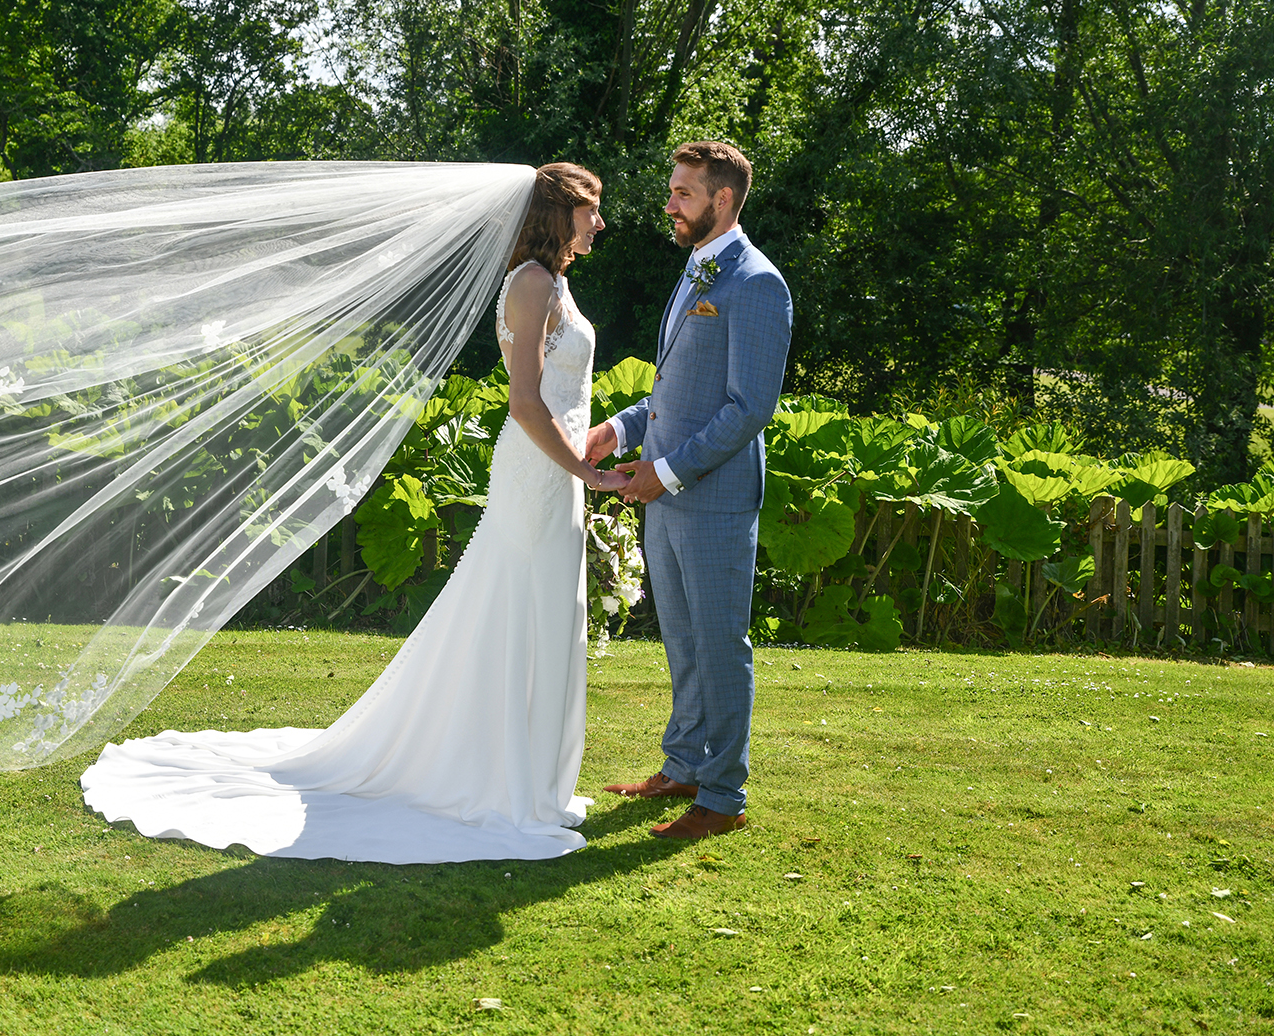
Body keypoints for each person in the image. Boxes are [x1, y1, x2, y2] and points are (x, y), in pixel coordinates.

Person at [78, 163, 628, 862]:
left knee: (547, 614)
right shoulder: (530, 285)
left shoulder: (556, 283)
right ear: (557, 214)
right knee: (517, 612)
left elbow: (561, 389)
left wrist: (588, 449)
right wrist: (582, 467)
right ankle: (504, 786)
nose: (600, 221)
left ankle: (536, 786)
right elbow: (525, 403)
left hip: (559, 475)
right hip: (539, 475)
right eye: (591, 209)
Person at [583, 140, 792, 842]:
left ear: (722, 200)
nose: (669, 204)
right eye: (672, 191)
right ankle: (682, 766)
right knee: (682, 638)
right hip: (665, 492)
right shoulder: (695, 271)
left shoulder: (758, 283)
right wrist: (618, 428)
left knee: (719, 641)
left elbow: (746, 407)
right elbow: (673, 389)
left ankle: (724, 795)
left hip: (715, 498)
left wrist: (664, 471)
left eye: (683, 193)